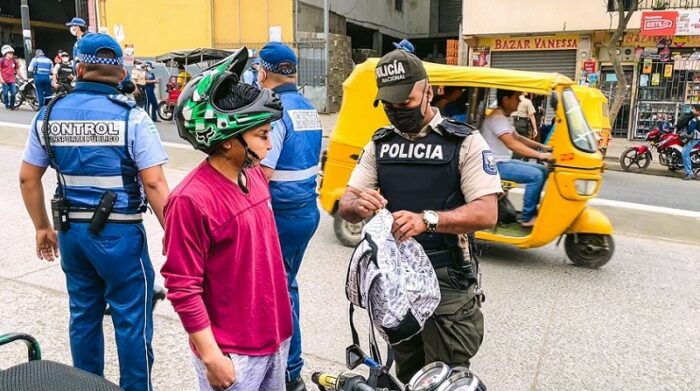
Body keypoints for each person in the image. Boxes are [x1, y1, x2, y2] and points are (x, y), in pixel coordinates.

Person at [338, 48, 501, 384]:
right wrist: (358, 205)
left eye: (405, 102)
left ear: (429, 91)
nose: (397, 111)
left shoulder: (464, 142)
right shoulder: (380, 145)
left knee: (448, 379)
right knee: (407, 375)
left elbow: (487, 212)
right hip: (397, 280)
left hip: (447, 279)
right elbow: (346, 202)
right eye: (390, 104)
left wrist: (428, 219)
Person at [18, 33, 170, 391]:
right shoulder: (133, 118)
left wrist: (42, 227)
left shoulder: (49, 114)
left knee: (84, 315)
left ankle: (87, 386)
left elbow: (28, 178)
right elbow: (154, 184)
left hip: (72, 235)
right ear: (121, 73)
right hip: (121, 238)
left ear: (79, 68)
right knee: (132, 318)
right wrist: (176, 235)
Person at [162, 52, 292, 391]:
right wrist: (211, 357)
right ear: (227, 141)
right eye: (262, 135)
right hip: (233, 351)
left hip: (273, 335)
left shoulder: (254, 177)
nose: (269, 143)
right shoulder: (190, 201)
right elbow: (182, 287)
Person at [257, 41, 322, 391]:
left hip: (281, 215)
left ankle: (290, 369)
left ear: (263, 72)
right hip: (307, 212)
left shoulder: (275, 111)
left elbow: (263, 174)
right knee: (288, 283)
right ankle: (286, 363)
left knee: (279, 289)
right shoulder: (308, 108)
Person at [481, 89, 553, 227]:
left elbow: (518, 138)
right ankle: (527, 217)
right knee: (536, 176)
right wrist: (541, 155)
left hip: (503, 161)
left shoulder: (503, 117)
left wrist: (543, 147)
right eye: (517, 98)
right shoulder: (497, 119)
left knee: (542, 170)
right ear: (506, 99)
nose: (520, 102)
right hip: (494, 166)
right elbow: (512, 144)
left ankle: (531, 211)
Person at [1, 45, 26, 110]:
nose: (11, 54)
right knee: (5, 94)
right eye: (9, 53)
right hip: (4, 80)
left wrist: (23, 78)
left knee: (13, 93)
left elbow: (18, 71)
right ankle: (7, 104)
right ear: (5, 54)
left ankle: (12, 105)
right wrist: (1, 79)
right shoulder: (2, 60)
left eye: (12, 53)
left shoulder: (14, 61)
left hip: (12, 80)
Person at [682, 104, 700, 180]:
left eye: (693, 109)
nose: (692, 110)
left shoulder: (695, 120)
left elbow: (690, 130)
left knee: (684, 153)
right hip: (697, 138)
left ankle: (689, 173)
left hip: (694, 138)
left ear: (698, 111)